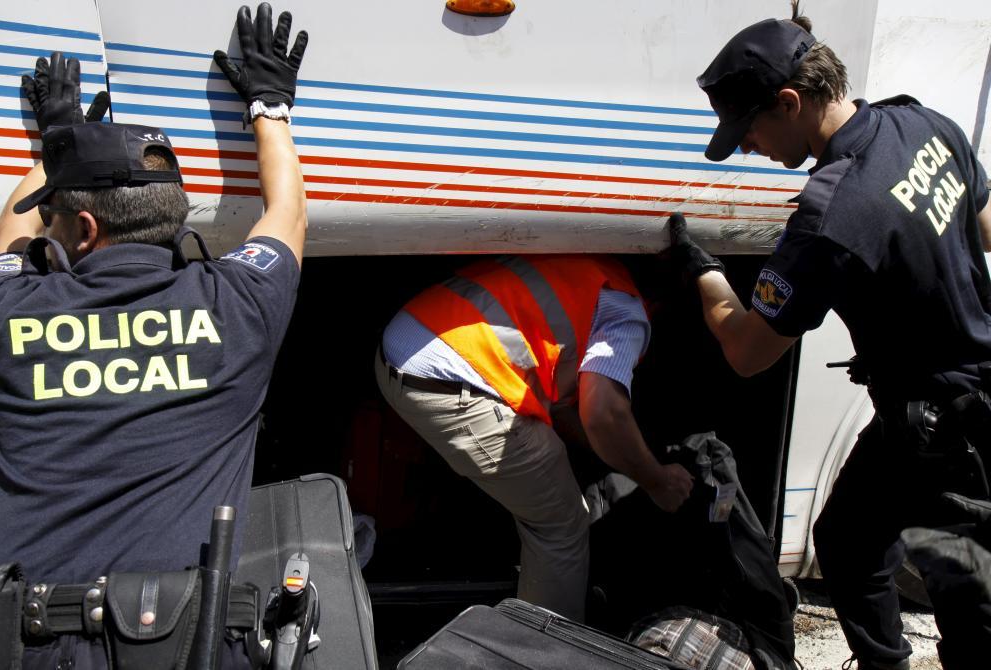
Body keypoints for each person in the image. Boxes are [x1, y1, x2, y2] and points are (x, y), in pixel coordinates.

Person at [0, 4, 307, 666]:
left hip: (38, 648)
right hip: (191, 647)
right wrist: (269, 106)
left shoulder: (6, 316)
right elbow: (287, 213)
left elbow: (8, 241)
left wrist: (57, 143)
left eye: (58, 219)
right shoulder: (239, 305)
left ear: (85, 230)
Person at [668, 3, 991, 669]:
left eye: (748, 129)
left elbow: (748, 352)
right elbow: (984, 227)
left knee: (967, 596)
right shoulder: (922, 122)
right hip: (949, 397)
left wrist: (702, 274)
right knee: (847, 540)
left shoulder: (831, 212)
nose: (748, 147)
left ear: (789, 102)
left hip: (945, 427)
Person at [375, 254, 694, 622]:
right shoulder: (628, 311)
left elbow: (564, 410)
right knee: (562, 526)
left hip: (400, 350)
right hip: (452, 385)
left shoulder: (586, 270)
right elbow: (605, 413)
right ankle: (543, 652)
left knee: (543, 465)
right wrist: (656, 479)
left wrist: (620, 455)